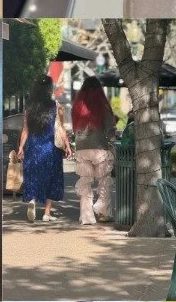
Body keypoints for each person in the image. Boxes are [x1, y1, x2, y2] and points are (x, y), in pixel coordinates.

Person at [17, 75, 69, 223]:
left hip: (32, 147)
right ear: (49, 89)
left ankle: (32, 200)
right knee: (52, 178)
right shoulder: (55, 105)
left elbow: (25, 130)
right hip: (50, 148)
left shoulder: (29, 108)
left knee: (32, 175)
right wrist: (67, 145)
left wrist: (21, 147)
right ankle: (47, 213)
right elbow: (60, 128)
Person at [70, 76, 116, 225]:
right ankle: (103, 211)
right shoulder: (102, 106)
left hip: (82, 149)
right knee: (104, 181)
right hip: (100, 148)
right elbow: (110, 129)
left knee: (84, 182)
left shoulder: (76, 107)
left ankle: (86, 216)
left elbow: (74, 130)